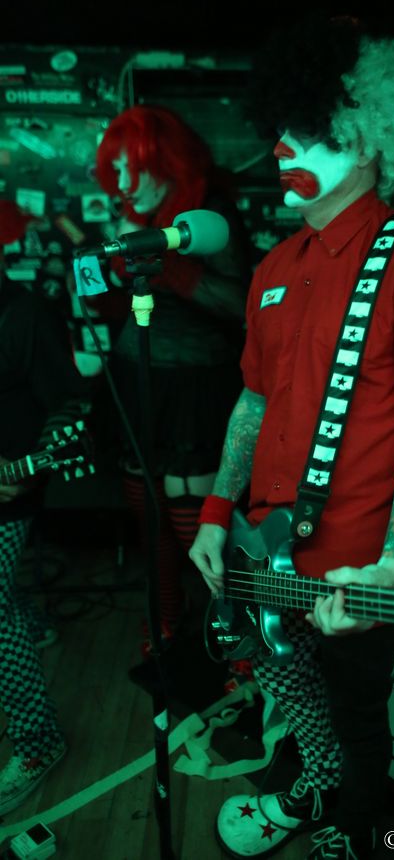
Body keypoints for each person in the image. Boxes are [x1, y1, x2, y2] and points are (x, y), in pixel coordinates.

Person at [189, 15, 394, 860]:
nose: (282, 146)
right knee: (293, 697)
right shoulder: (273, 268)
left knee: (364, 723)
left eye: (311, 129)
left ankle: (360, 834)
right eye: (280, 128)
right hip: (263, 552)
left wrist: (392, 566)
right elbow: (253, 402)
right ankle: (315, 789)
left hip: (359, 574)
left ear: (367, 136)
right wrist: (216, 512)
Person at [94, 105, 251, 650]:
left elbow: (238, 303)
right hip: (138, 377)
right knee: (147, 511)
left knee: (194, 522)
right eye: (114, 168)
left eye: (129, 167)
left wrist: (161, 258)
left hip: (194, 387)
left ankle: (231, 631)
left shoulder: (209, 214)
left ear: (165, 162)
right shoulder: (132, 212)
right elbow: (126, 309)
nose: (120, 182)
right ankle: (166, 612)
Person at [0, 199, 90, 815]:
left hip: (10, 489)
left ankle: (38, 742)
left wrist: (29, 464)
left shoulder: (25, 314)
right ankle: (32, 623)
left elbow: (70, 409)